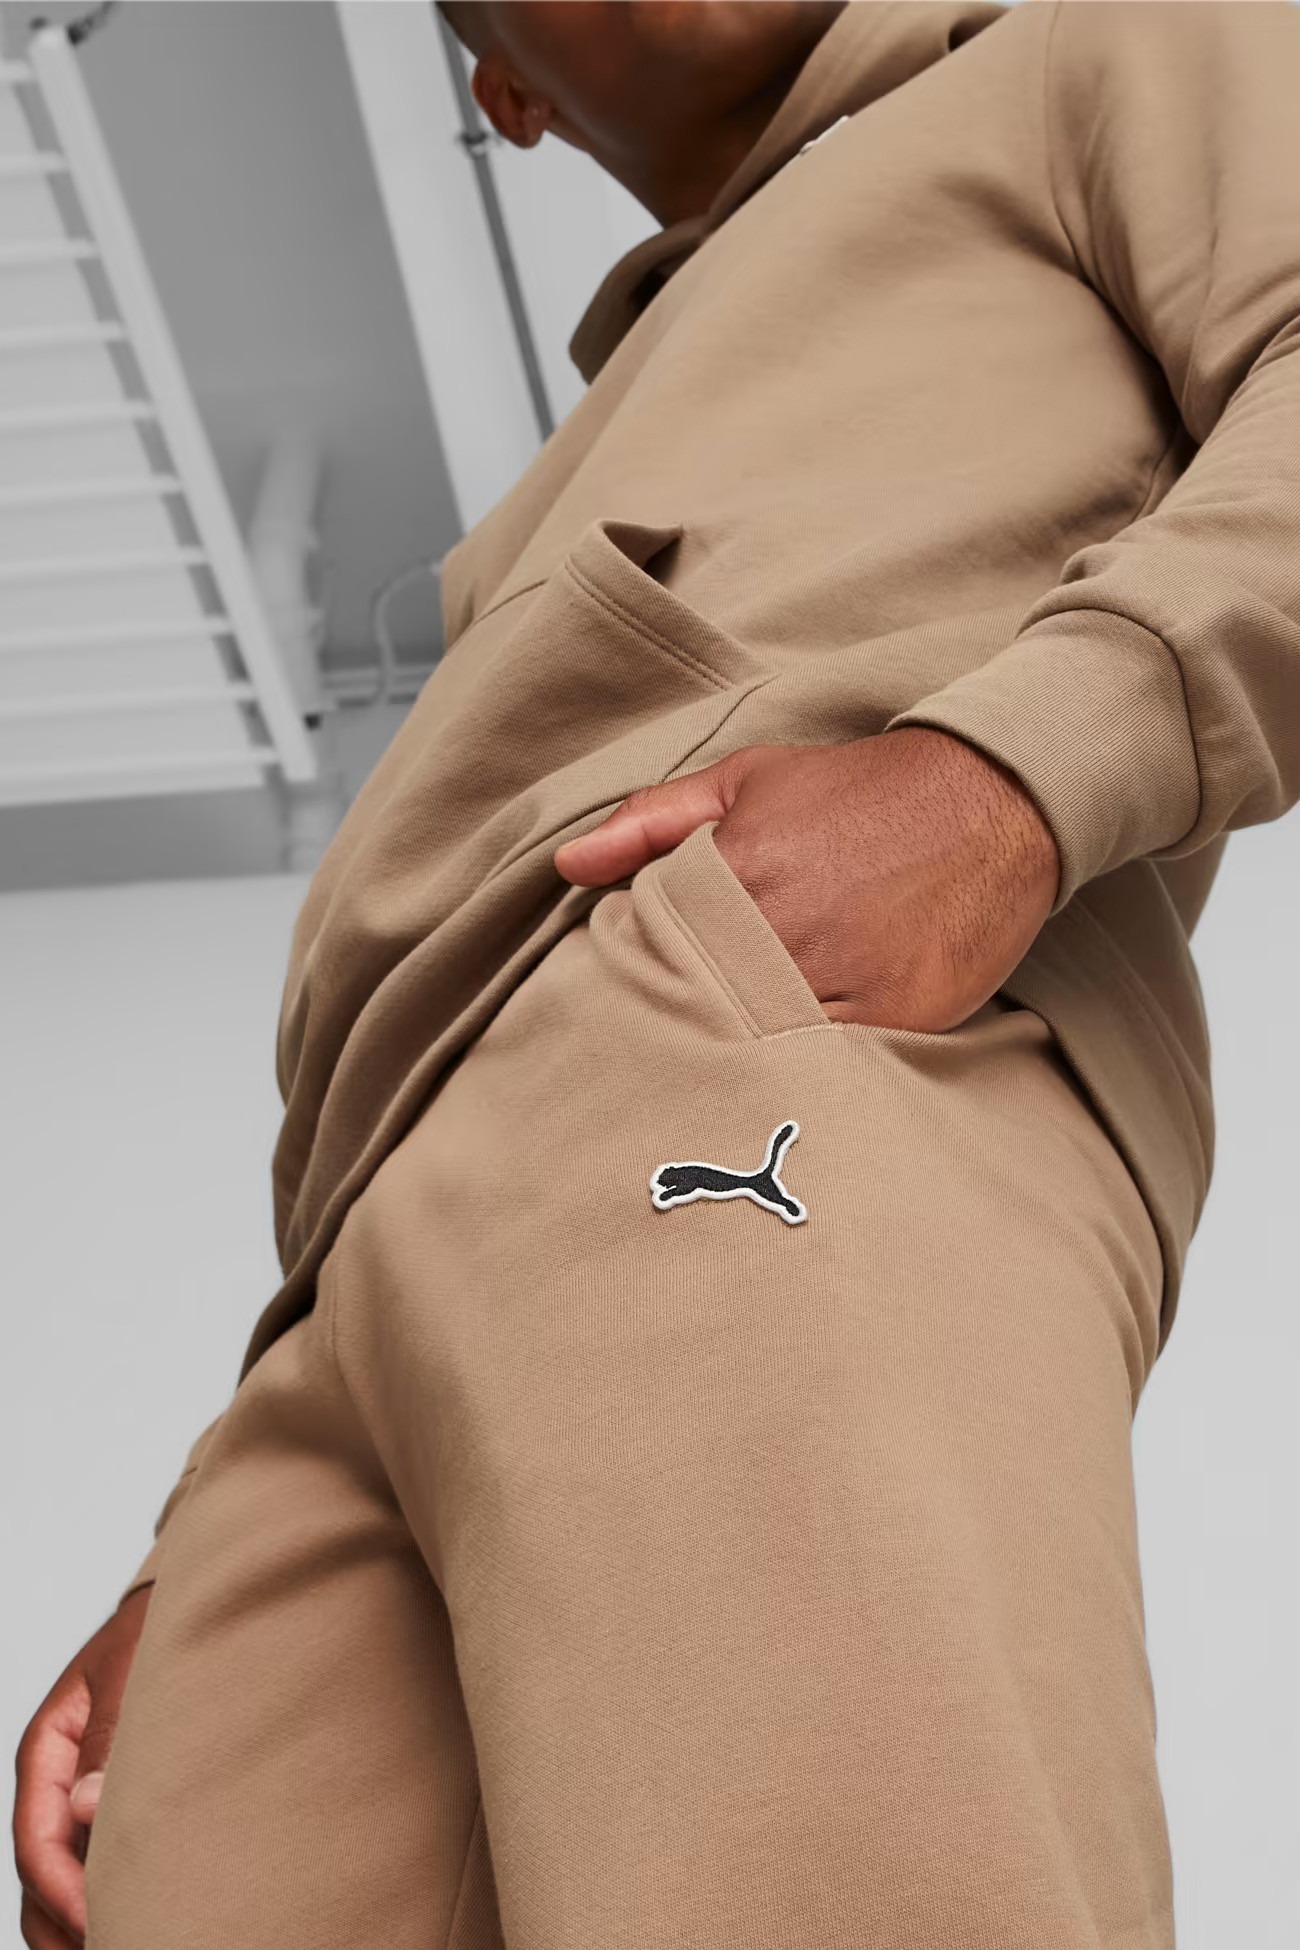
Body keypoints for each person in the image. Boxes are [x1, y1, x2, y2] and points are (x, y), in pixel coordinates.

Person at [14, 3, 1300, 1945]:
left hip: (747, 1041)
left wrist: (1004, 786)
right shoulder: (596, 439)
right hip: (348, 1286)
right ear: (505, 90)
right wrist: (192, 1529)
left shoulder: (1088, 41)